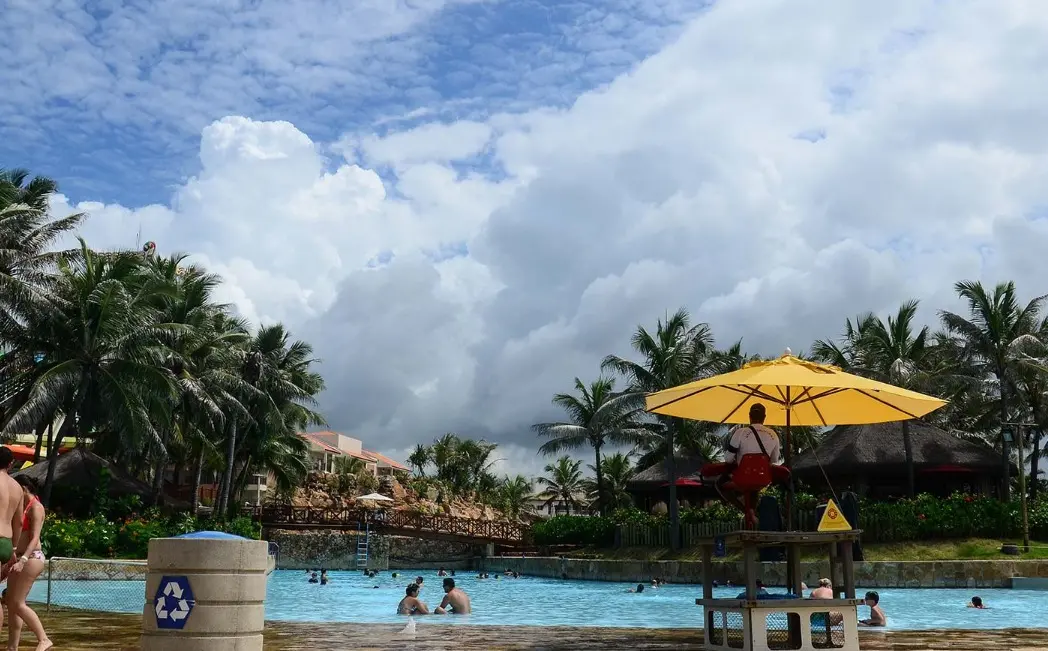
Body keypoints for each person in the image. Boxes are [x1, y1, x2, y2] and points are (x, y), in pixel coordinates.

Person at [7, 475, 51, 651]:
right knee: (11, 604)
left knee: (18, 603)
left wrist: (23, 560)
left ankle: (44, 639)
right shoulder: (22, 507)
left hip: (31, 557)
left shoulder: (36, 507)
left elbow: (34, 538)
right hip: (19, 558)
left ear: (24, 489)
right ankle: (12, 647)